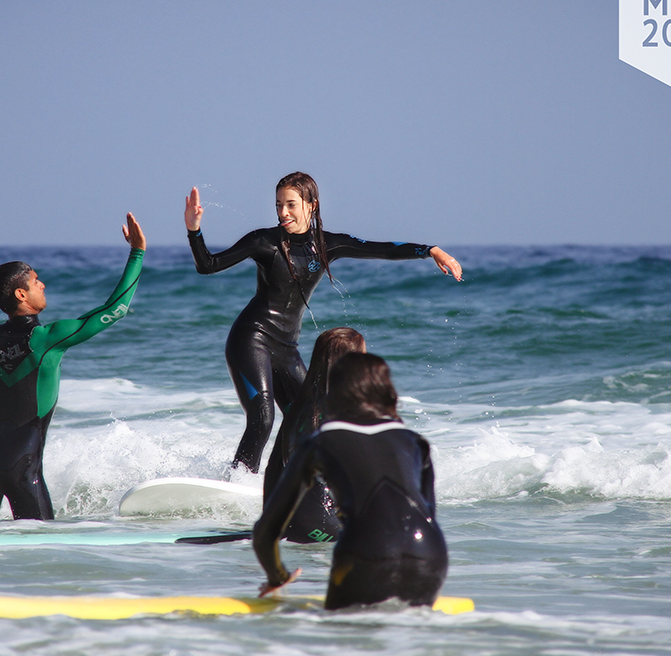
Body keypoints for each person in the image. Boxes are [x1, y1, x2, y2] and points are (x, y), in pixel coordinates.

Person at [184, 172, 462, 473]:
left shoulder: (327, 245)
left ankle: (294, 481)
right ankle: (235, 481)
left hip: (286, 347)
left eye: (291, 204)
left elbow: (379, 248)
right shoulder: (264, 241)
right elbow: (208, 266)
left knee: (312, 419)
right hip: (251, 339)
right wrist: (194, 229)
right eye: (278, 205)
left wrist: (429, 250)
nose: (283, 212)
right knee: (262, 418)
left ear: (311, 205)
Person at [0, 213, 146, 520]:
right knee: (43, 550)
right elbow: (116, 309)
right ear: (21, 294)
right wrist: (137, 253)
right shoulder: (46, 338)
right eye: (35, 280)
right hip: (20, 465)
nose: (42, 284)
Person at [253, 352, 448, 610]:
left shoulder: (320, 441)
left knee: (343, 636)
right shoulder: (415, 442)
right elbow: (428, 514)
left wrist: (278, 577)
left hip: (363, 554)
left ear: (335, 392)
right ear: (388, 392)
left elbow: (266, 531)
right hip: (431, 553)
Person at [261, 326, 365, 543]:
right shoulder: (342, 412)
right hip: (320, 525)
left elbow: (273, 470)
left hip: (290, 522)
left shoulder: (301, 406)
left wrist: (270, 523)